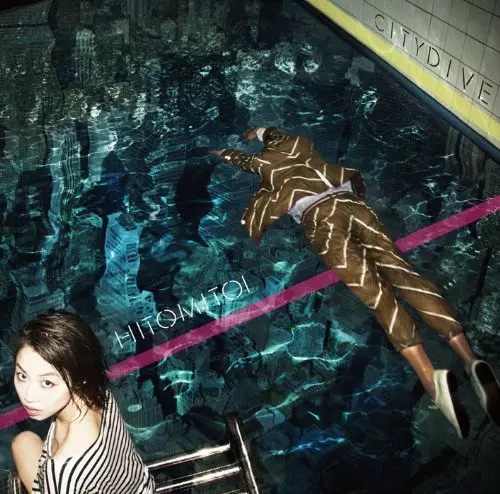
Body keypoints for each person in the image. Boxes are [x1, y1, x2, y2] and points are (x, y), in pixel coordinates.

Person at [210, 126, 500, 438]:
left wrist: (221, 152)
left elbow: (241, 160)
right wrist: (259, 131)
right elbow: (273, 133)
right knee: (403, 273)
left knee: (377, 295)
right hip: (353, 204)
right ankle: (469, 358)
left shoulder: (263, 162)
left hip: (321, 219)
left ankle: (431, 380)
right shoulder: (301, 144)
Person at [11, 310, 156, 493]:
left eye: (47, 383)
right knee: (22, 441)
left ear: (81, 378)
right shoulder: (99, 392)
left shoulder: (62, 474)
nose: (28, 396)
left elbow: (64, 476)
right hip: (137, 487)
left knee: (23, 443)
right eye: (22, 375)